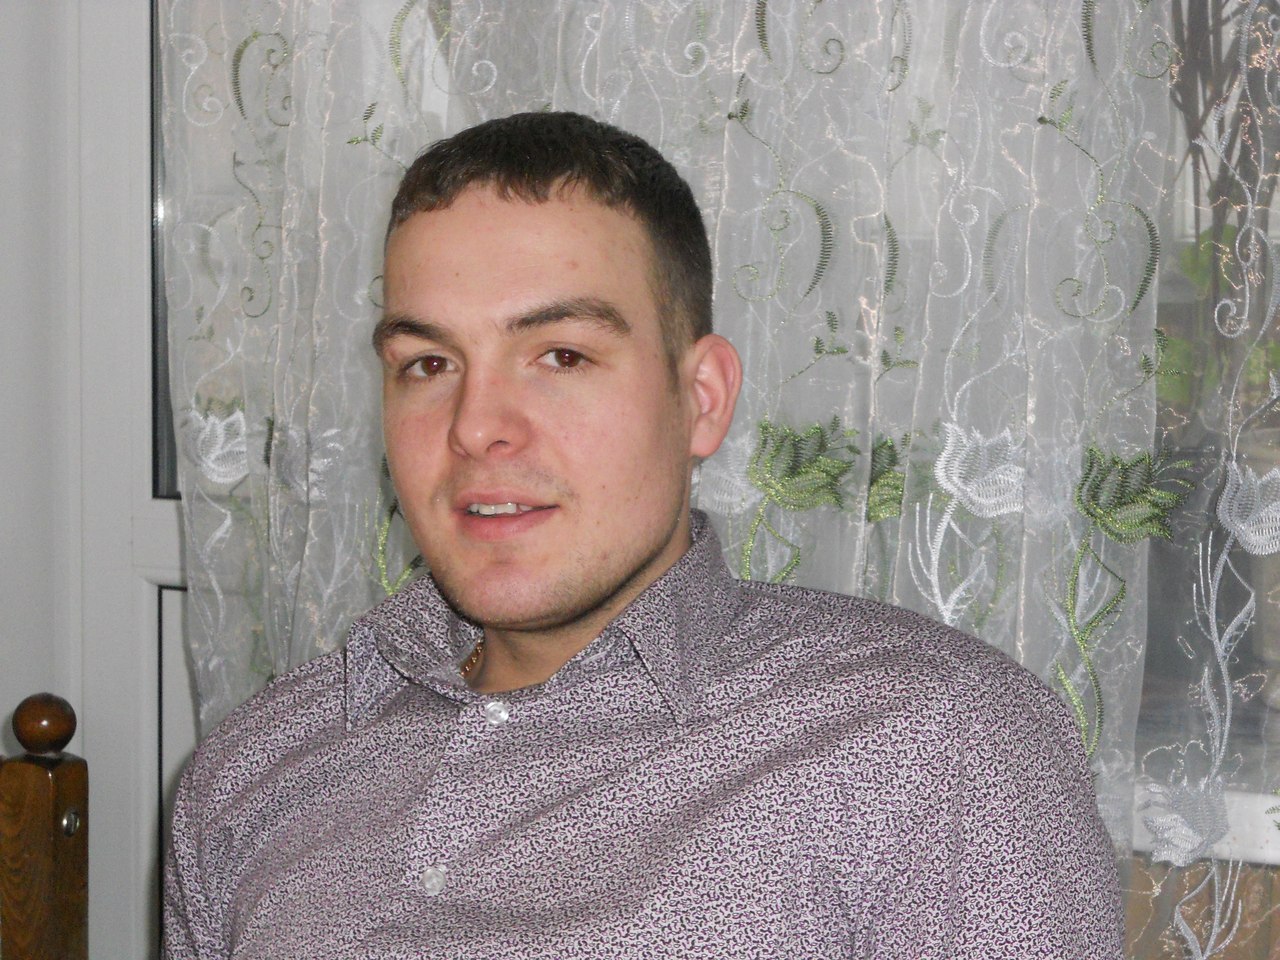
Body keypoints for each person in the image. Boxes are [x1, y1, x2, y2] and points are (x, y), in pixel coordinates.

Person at [164, 111, 1123, 959]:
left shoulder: (936, 745)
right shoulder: (250, 772)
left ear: (700, 399)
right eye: (427, 364)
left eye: (561, 355)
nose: (474, 426)